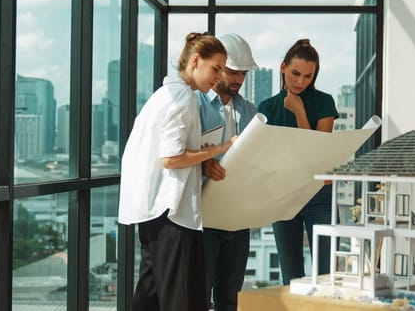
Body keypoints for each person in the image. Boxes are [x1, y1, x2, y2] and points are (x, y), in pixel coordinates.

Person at [118, 32, 236, 311]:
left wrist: (202, 157)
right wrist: (220, 148)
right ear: (196, 61)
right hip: (171, 213)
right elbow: (171, 158)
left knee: (150, 295)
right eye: (215, 68)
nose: (218, 77)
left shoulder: (163, 95)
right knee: (184, 298)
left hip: (151, 214)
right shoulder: (182, 97)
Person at [257, 38, 339, 285]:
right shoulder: (267, 107)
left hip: (319, 195)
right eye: (295, 73)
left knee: (326, 275)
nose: (300, 81)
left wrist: (300, 111)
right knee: (291, 277)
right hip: (283, 195)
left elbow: (316, 153)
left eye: (308, 76)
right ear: (283, 67)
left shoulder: (324, 102)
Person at [196, 33, 259, 311]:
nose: (239, 80)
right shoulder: (195, 104)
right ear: (219, 68)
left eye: (243, 74)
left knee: (230, 297)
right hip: (204, 217)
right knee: (198, 294)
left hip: (236, 218)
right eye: (234, 72)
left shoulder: (249, 111)